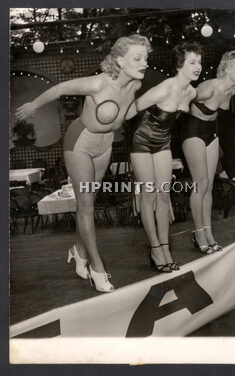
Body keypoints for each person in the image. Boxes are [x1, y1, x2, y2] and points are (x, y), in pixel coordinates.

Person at [15, 34, 151, 292]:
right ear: (120, 61)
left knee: (88, 203)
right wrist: (33, 104)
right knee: (86, 206)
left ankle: (78, 250)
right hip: (80, 143)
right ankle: (96, 269)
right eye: (137, 57)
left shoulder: (134, 85)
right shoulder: (98, 83)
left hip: (105, 144)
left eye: (145, 57)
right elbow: (59, 89)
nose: (144, 62)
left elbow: (126, 111)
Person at [129, 41, 203, 272]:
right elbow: (134, 107)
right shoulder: (166, 87)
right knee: (149, 197)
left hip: (163, 144)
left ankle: (165, 248)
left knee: (163, 197)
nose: (198, 66)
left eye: (199, 61)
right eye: (193, 62)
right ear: (180, 65)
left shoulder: (191, 92)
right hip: (141, 142)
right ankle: (155, 249)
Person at [180, 49, 235, 254]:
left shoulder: (233, 91)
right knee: (200, 185)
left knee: (209, 186)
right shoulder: (210, 87)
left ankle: (209, 233)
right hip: (192, 131)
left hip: (211, 133)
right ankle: (198, 233)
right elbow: (182, 97)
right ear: (227, 69)